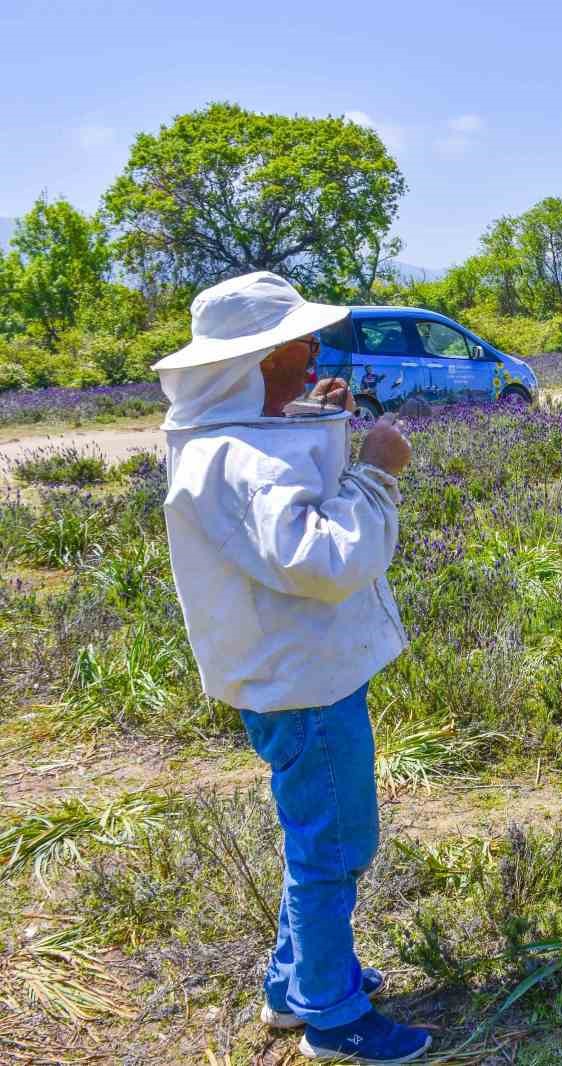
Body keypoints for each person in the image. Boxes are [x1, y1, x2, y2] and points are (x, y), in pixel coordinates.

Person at [154, 271, 429, 1063]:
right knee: (334, 844)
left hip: (284, 674)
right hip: (305, 682)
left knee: (316, 832)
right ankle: (332, 1016)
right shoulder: (243, 459)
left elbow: (282, 508)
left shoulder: (224, 440)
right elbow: (321, 559)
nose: (314, 350)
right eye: (300, 341)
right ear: (260, 357)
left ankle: (295, 981)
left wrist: (321, 425)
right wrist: (375, 466)